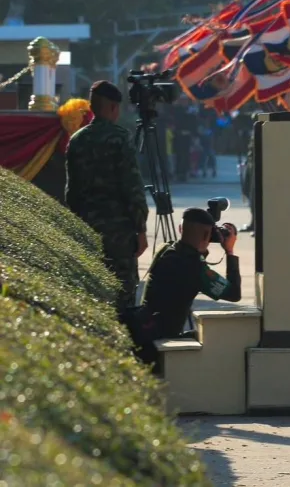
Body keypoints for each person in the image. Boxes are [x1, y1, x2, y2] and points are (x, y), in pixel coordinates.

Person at [65, 80, 150, 313]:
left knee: (92, 294)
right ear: (113, 107)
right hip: (119, 233)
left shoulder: (76, 140)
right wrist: (141, 229)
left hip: (87, 230)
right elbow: (132, 188)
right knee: (123, 295)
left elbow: (71, 192)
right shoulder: (120, 138)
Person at [128, 208, 242, 366]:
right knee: (220, 337)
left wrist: (204, 238)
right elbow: (234, 294)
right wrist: (229, 251)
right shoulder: (195, 269)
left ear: (180, 229)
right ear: (206, 236)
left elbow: (188, 257)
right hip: (162, 340)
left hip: (144, 329)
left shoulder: (165, 249)